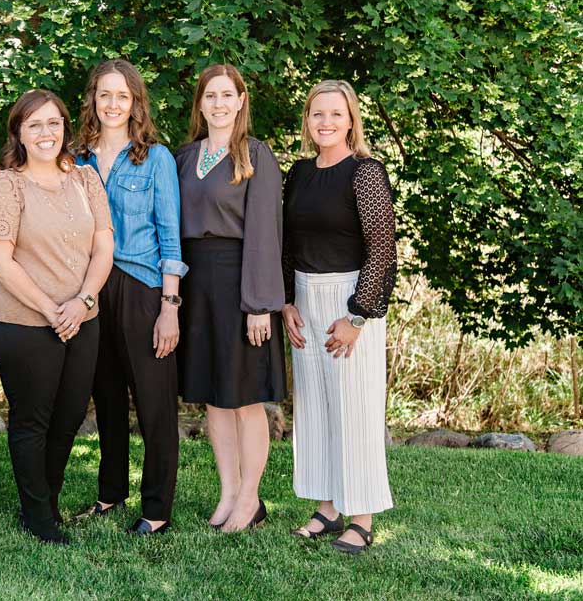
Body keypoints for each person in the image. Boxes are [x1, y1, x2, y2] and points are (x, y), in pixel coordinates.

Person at [0, 89, 114, 544]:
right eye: (34, 125)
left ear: (65, 128)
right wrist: (53, 308)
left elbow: (104, 247)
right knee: (33, 419)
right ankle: (37, 516)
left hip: (82, 319)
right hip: (22, 323)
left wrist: (84, 302)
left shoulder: (86, 179)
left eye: (54, 123)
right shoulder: (4, 184)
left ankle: (46, 503)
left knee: (70, 416)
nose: (46, 132)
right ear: (19, 132)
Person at [71, 59, 186, 536]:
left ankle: (156, 508)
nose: (113, 104)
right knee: (107, 398)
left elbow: (171, 236)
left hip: (143, 289)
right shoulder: (74, 159)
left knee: (155, 402)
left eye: (123, 96)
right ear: (93, 101)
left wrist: (169, 307)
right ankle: (110, 494)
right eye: (105, 95)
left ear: (136, 103)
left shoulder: (155, 158)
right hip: (91, 290)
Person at [282, 79, 396, 555]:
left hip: (352, 299)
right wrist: (287, 301)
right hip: (305, 300)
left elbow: (382, 250)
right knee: (318, 409)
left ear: (351, 120)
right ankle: (328, 509)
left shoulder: (365, 171)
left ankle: (362, 518)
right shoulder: (300, 173)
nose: (325, 122)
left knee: (354, 409)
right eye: (317, 114)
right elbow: (287, 243)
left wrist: (358, 317)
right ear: (307, 120)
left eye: (335, 114)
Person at [174, 64, 286, 533]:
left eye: (227, 95)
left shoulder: (256, 155)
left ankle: (250, 499)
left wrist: (259, 304)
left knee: (245, 399)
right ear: (200, 103)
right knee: (214, 399)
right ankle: (227, 491)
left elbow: (265, 234)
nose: (219, 103)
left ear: (241, 101)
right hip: (195, 284)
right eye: (210, 95)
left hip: (241, 281)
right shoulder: (182, 157)